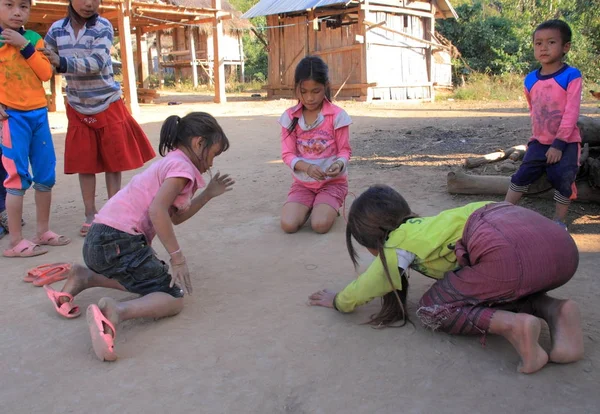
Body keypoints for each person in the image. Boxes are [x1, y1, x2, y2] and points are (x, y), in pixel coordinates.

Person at [309, 185, 584, 374]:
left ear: (372, 241)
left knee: (432, 307)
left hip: (505, 252)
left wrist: (339, 301)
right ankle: (556, 310)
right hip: (560, 247)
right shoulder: (432, 224)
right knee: (498, 282)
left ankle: (514, 326)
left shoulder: (395, 245)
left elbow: (370, 284)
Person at [42, 112, 234, 361]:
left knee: (145, 281)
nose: (211, 163)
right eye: (213, 154)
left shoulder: (173, 163)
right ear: (199, 143)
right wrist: (177, 258)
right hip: (119, 242)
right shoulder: (182, 169)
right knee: (172, 296)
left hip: (100, 241)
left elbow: (173, 216)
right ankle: (116, 311)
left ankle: (84, 277)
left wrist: (207, 195)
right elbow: (157, 211)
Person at [40, 0, 155, 237]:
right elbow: (43, 60)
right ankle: (91, 215)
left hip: (107, 103)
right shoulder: (56, 30)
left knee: (114, 163)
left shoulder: (102, 26)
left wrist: (60, 62)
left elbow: (98, 62)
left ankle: (113, 213)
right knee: (86, 163)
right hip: (77, 106)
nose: (89, 3)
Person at [0, 0, 69, 256]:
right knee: (16, 178)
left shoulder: (33, 39)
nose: (17, 12)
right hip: (12, 118)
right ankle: (16, 242)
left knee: (45, 174)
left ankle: (43, 231)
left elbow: (44, 73)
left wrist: (25, 46)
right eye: (9, 5)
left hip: (38, 114)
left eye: (24, 6)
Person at [505, 20, 582, 229]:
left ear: (565, 47)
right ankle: (501, 211)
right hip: (539, 141)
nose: (543, 48)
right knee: (522, 175)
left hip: (566, 142)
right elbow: (534, 110)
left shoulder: (571, 76)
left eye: (551, 42)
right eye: (538, 43)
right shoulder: (530, 79)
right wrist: (537, 139)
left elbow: (571, 112)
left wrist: (559, 143)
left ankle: (559, 222)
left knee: (563, 178)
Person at [279, 55, 352, 234]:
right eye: (303, 91)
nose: (309, 98)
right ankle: (313, 204)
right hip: (303, 184)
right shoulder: (290, 117)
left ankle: (326, 204)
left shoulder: (337, 116)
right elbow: (287, 155)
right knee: (288, 225)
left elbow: (345, 151)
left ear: (326, 87)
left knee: (319, 226)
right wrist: (307, 168)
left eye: (316, 91)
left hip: (332, 183)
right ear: (296, 88)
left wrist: (338, 164)